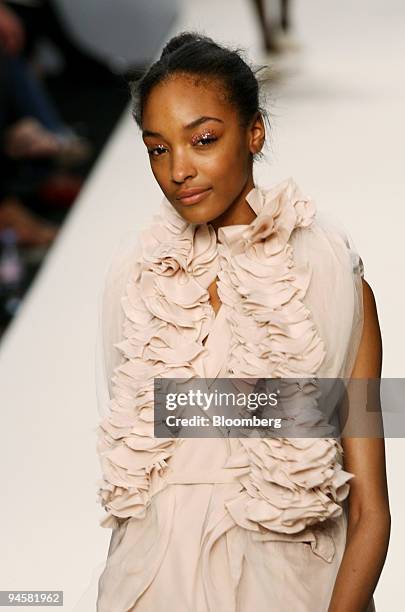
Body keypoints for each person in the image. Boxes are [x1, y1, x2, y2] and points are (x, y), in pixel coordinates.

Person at [94, 31, 390, 612]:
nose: (180, 169)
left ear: (254, 132)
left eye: (203, 139)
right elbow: (132, 486)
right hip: (150, 587)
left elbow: (371, 509)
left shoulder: (330, 277)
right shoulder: (138, 281)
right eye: (157, 148)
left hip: (289, 587)